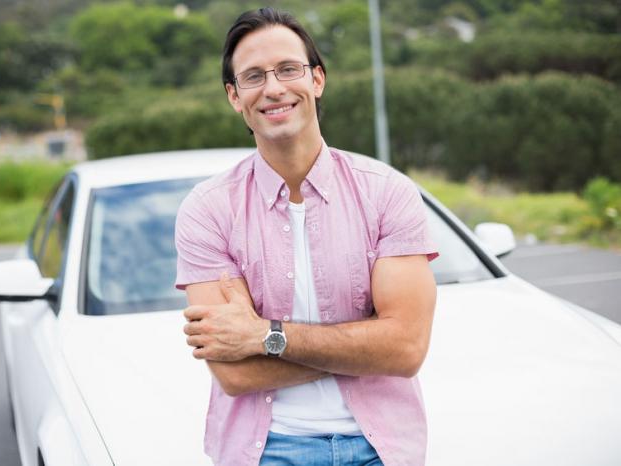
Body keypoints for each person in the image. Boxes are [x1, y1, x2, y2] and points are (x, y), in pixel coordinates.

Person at [175, 7, 438, 466]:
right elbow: (233, 374)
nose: (273, 88)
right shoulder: (208, 209)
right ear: (234, 97)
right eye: (253, 76)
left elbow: (405, 349)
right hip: (266, 451)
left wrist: (264, 336)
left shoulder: (386, 192)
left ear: (317, 80)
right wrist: (362, 345)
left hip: (381, 446)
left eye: (288, 69)